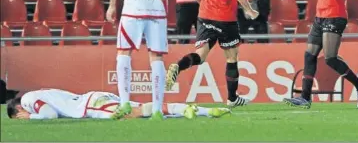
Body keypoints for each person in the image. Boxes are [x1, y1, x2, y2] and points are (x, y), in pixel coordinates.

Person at [7, 88, 230, 120]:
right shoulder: (41, 92)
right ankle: (204, 110)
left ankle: (192, 110)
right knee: (145, 110)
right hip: (95, 97)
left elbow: (49, 115)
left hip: (89, 105)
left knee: (137, 113)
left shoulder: (27, 100)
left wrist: (32, 117)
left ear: (17, 109)